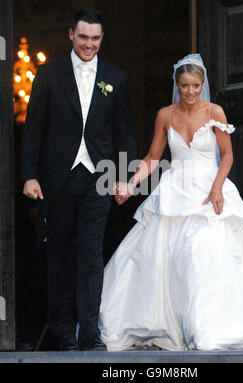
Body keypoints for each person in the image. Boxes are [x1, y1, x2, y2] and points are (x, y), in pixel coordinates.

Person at [99, 54, 243, 351]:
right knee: (167, 259)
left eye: (196, 86)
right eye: (185, 86)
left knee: (202, 258)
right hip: (175, 189)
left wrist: (217, 188)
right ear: (177, 85)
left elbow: (227, 154)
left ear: (203, 85)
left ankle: (205, 329)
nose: (190, 92)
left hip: (207, 190)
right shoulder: (165, 114)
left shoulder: (215, 111)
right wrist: (130, 183)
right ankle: (171, 326)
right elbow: (153, 158)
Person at [21, 8, 136, 351]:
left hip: (98, 178)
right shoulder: (48, 74)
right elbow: (33, 130)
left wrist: (124, 178)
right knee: (59, 255)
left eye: (95, 38)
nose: (89, 44)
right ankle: (63, 334)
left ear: (102, 38)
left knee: (90, 255)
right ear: (71, 35)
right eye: (83, 37)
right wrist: (29, 175)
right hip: (57, 178)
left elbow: (124, 134)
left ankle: (90, 334)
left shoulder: (116, 77)